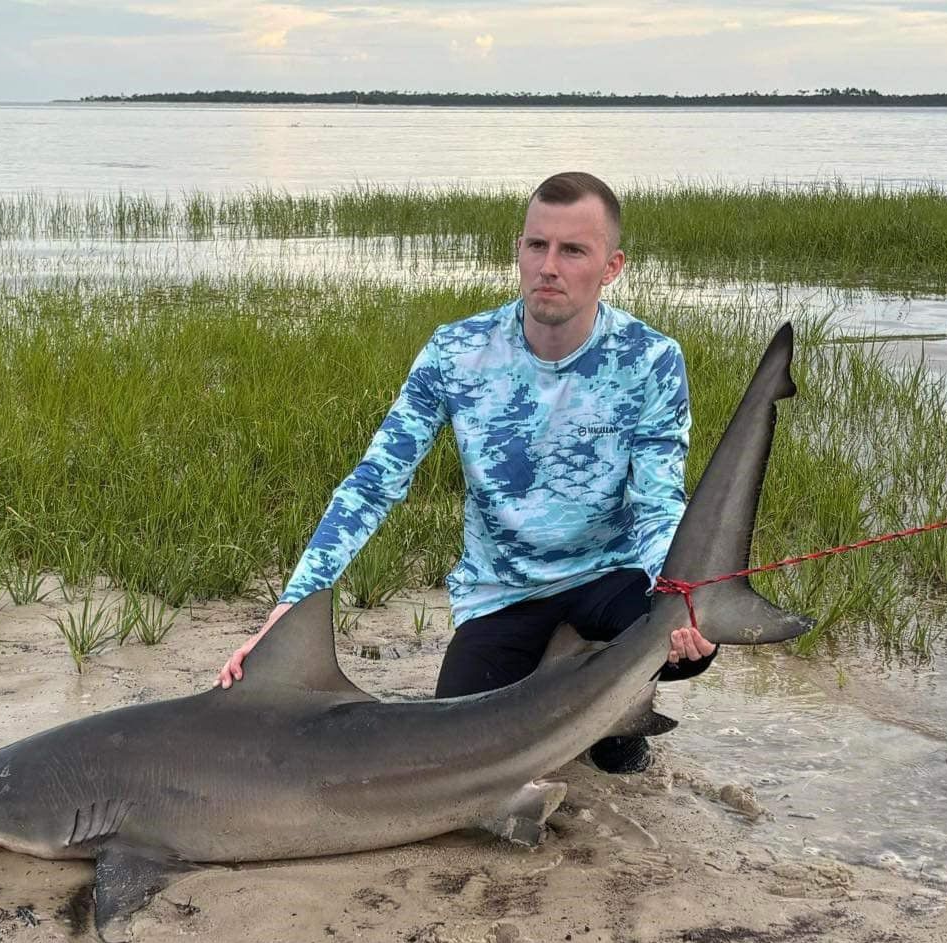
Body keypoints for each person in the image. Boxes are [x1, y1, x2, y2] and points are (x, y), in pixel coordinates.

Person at [216, 171, 716, 773]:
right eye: (536, 245)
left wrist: (683, 598)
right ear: (519, 251)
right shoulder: (456, 351)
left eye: (572, 250)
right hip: (502, 592)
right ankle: (568, 683)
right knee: (453, 758)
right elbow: (374, 483)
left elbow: (658, 503)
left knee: (682, 654)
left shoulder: (651, 359)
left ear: (611, 267)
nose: (548, 266)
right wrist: (291, 606)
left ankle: (619, 719)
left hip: (607, 577)